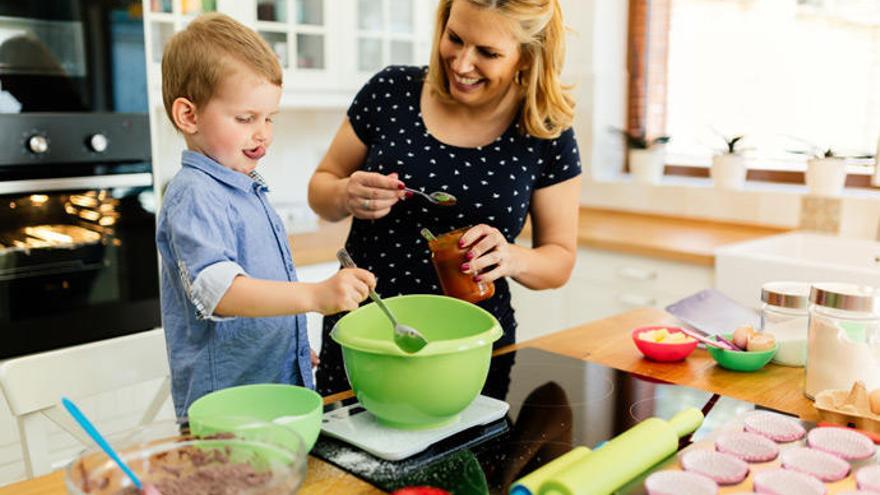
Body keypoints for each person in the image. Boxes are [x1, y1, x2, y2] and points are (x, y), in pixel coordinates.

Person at [308, 0, 582, 395]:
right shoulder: (391, 91)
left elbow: (560, 259)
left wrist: (511, 257)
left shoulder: (545, 130)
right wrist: (345, 193)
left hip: (470, 352)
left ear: (527, 57)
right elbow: (321, 189)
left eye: (487, 53)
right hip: (363, 336)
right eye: (455, 38)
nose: (462, 63)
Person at [155, 14, 376, 418]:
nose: (263, 133)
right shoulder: (194, 194)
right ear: (188, 116)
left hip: (269, 398)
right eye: (246, 119)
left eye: (269, 118)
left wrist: (288, 342)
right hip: (227, 412)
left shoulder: (242, 187)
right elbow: (220, 293)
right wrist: (314, 295)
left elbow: (260, 294)